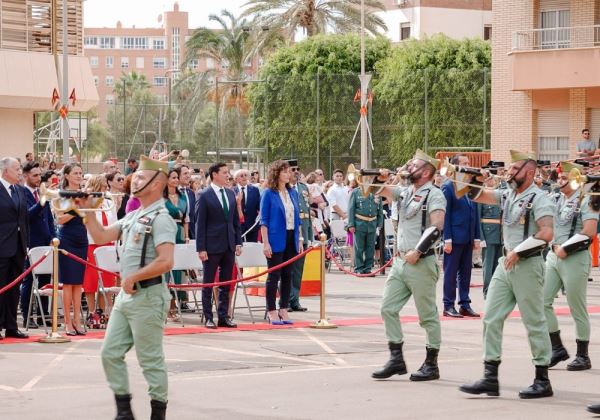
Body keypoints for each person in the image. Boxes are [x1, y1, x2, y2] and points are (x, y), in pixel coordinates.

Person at [81, 155, 176, 420]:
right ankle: (125, 412)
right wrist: (87, 211)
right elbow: (100, 236)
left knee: (150, 360)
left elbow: (167, 260)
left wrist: (134, 277)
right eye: (136, 176)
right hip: (128, 295)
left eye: (143, 177)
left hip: (148, 295)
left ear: (158, 184)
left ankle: (158, 413)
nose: (135, 180)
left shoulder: (162, 218)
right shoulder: (133, 215)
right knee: (110, 353)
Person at [459, 150, 555, 399]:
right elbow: (476, 195)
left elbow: (546, 233)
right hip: (507, 262)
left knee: (534, 321)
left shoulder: (540, 198)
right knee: (490, 317)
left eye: (515, 169)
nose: (509, 172)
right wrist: (472, 177)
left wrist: (520, 252)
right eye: (510, 169)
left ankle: (542, 379)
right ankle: (490, 377)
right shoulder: (508, 194)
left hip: (527, 263)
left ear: (530, 172)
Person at [370, 149, 445, 382]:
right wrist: (378, 178)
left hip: (421, 261)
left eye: (413, 165)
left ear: (426, 171)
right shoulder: (404, 191)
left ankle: (431, 363)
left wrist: (419, 250)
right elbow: (371, 189)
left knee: (427, 316)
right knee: (388, 308)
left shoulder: (434, 194)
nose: (408, 167)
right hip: (401, 262)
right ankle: (396, 359)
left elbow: (437, 226)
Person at [544, 161, 597, 371]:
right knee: (542, 301)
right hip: (553, 255)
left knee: (577, 307)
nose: (560, 181)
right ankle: (556, 347)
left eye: (565, 177)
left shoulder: (588, 200)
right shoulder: (554, 198)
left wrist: (566, 248)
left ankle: (583, 355)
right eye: (559, 177)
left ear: (576, 179)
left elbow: (590, 231)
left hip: (574, 256)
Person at [195, 162, 241, 329]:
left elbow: (235, 221)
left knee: (225, 283)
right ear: (214, 174)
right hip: (211, 245)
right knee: (208, 283)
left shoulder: (230, 193)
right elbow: (200, 223)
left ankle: (223, 316)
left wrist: (238, 242)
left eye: (228, 172)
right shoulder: (204, 194)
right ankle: (208, 317)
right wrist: (201, 248)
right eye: (224, 172)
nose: (227, 175)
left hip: (229, 244)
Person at [260, 160, 302, 325]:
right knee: (274, 275)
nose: (288, 174)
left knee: (287, 275)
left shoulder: (293, 193)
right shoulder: (268, 193)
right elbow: (264, 220)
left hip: (291, 237)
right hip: (275, 238)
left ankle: (283, 308)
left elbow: (297, 219)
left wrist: (299, 239)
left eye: (288, 171)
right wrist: (265, 243)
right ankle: (271, 310)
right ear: (276, 174)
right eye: (284, 171)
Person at [441, 154, 481, 318]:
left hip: (468, 236)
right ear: (456, 166)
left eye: (468, 162)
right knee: (450, 273)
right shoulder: (448, 186)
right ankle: (448, 304)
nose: (468, 165)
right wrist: (447, 239)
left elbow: (475, 213)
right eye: (464, 163)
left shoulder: (469, 186)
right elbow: (446, 214)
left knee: (466, 272)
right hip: (454, 237)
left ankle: (464, 303)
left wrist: (477, 237)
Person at [20, 162, 55, 329]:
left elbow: (48, 218)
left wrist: (53, 236)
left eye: (39, 175)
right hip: (30, 243)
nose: (38, 178)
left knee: (45, 279)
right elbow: (28, 216)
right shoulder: (22, 193)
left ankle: (43, 315)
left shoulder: (42, 193)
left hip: (45, 242)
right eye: (34, 175)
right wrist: (42, 200)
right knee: (29, 280)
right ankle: (27, 315)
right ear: (25, 176)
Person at [55, 163, 89, 336]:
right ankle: (67, 322)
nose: (78, 175)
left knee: (78, 283)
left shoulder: (84, 194)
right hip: (66, 239)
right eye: (75, 173)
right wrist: (76, 209)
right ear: (66, 176)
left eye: (80, 173)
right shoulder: (60, 194)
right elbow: (60, 219)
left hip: (82, 238)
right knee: (68, 282)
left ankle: (77, 320)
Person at [82, 175, 118, 328]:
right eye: (103, 186)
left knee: (107, 282)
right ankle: (92, 314)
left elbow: (115, 224)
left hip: (108, 245)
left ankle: (103, 313)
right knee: (91, 282)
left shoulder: (109, 203)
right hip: (91, 244)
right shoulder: (88, 203)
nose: (106, 188)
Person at [0, 157, 29, 339]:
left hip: (18, 246)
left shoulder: (19, 190)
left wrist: (25, 244)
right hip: (2, 246)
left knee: (14, 287)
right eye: (17, 169)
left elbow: (24, 219)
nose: (20, 172)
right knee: (1, 287)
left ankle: (11, 326)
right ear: (5, 171)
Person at [164, 166, 189, 321]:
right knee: (166, 270)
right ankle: (164, 307)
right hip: (165, 233)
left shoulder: (183, 196)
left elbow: (186, 218)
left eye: (175, 177)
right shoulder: (160, 198)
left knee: (178, 272)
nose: (175, 180)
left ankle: (174, 306)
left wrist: (186, 236)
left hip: (179, 233)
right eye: (172, 177)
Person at [286, 159, 311, 312]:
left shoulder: (303, 188)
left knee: (298, 270)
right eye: (292, 169)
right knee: (287, 269)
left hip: (304, 232)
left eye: (297, 169)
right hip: (291, 233)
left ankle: (295, 300)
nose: (296, 171)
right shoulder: (284, 189)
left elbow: (307, 213)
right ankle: (286, 300)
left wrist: (309, 236)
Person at [347, 183, 383, 275]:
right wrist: (351, 224)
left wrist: (380, 222)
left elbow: (380, 209)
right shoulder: (356, 192)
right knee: (359, 247)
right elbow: (351, 209)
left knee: (370, 247)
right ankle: (358, 268)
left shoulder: (376, 191)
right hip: (359, 223)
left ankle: (368, 268)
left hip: (372, 223)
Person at [478, 175, 504, 299]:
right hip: (488, 234)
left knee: (498, 265)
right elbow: (478, 218)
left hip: (500, 234)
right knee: (488, 266)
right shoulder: (481, 195)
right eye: (488, 178)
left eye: (492, 178)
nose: (490, 180)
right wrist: (481, 238)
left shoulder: (500, 195)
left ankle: (495, 290)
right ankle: (487, 291)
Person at [233, 169, 261, 242]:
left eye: (246, 175)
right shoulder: (231, 191)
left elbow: (259, 206)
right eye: (241, 176)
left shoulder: (255, 190)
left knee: (252, 250)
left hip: (252, 226)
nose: (244, 177)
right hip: (237, 227)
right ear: (236, 179)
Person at [177, 164, 196, 241]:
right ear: (177, 176)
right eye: (185, 174)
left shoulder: (191, 193)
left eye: (188, 173)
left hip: (192, 233)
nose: (188, 176)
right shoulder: (172, 193)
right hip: (178, 232)